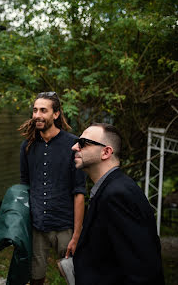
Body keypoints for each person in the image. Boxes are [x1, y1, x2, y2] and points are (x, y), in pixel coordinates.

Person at [72, 123, 164, 285]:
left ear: (106, 152)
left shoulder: (117, 195)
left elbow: (143, 269)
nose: (74, 147)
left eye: (83, 143)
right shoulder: (110, 188)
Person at [19, 92, 86, 285]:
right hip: (37, 225)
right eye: (35, 110)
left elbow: (79, 192)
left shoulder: (73, 145)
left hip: (65, 226)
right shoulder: (27, 146)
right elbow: (25, 186)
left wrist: (76, 234)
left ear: (56, 114)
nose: (37, 115)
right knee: (35, 278)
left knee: (75, 277)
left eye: (43, 110)